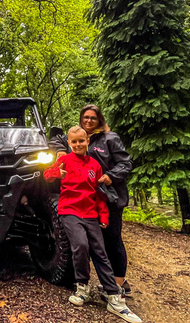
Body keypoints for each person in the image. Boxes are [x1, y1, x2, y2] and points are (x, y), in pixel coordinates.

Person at [43, 126, 141, 323]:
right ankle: (82, 286)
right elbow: (46, 175)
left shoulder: (95, 165)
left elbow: (99, 193)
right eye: (74, 142)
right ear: (69, 143)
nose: (78, 145)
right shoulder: (64, 160)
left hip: (90, 213)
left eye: (81, 141)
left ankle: (114, 297)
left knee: (100, 251)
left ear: (87, 141)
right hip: (69, 210)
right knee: (80, 245)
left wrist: (103, 215)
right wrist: (57, 173)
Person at [48, 104, 134, 296]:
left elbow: (126, 163)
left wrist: (111, 175)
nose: (88, 121)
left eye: (92, 118)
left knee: (113, 238)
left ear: (100, 120)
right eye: (85, 117)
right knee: (98, 243)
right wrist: (61, 151)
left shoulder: (110, 138)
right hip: (90, 198)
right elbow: (55, 140)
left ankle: (119, 283)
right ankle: (102, 282)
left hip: (110, 195)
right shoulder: (79, 137)